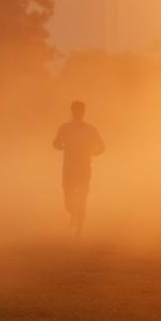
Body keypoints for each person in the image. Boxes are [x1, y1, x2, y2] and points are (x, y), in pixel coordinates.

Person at [52, 100, 105, 238]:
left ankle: (79, 230)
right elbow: (55, 143)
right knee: (68, 202)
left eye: (80, 110)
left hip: (83, 169)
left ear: (83, 112)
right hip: (68, 169)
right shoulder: (65, 128)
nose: (77, 113)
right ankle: (73, 214)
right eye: (75, 110)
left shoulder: (90, 129)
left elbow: (101, 146)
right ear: (72, 111)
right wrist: (61, 147)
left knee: (82, 199)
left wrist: (94, 152)